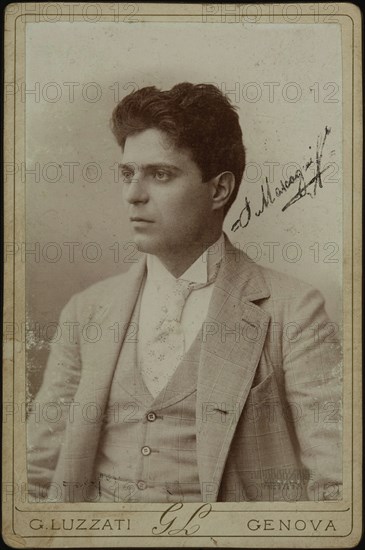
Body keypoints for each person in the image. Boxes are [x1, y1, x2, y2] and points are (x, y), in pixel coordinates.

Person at [27, 82, 342, 503]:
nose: (134, 195)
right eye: (127, 173)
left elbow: (340, 485)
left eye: (160, 174)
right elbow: (36, 473)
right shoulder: (87, 312)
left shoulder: (294, 311)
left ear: (219, 190)